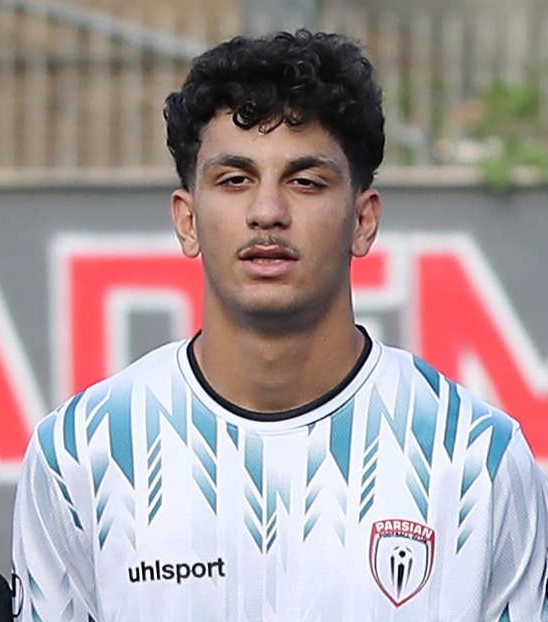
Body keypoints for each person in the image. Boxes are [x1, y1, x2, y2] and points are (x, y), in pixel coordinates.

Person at [11, 29, 548, 622]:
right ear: (187, 220)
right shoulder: (80, 454)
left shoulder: (478, 459)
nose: (267, 212)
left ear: (363, 221)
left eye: (305, 181)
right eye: (235, 180)